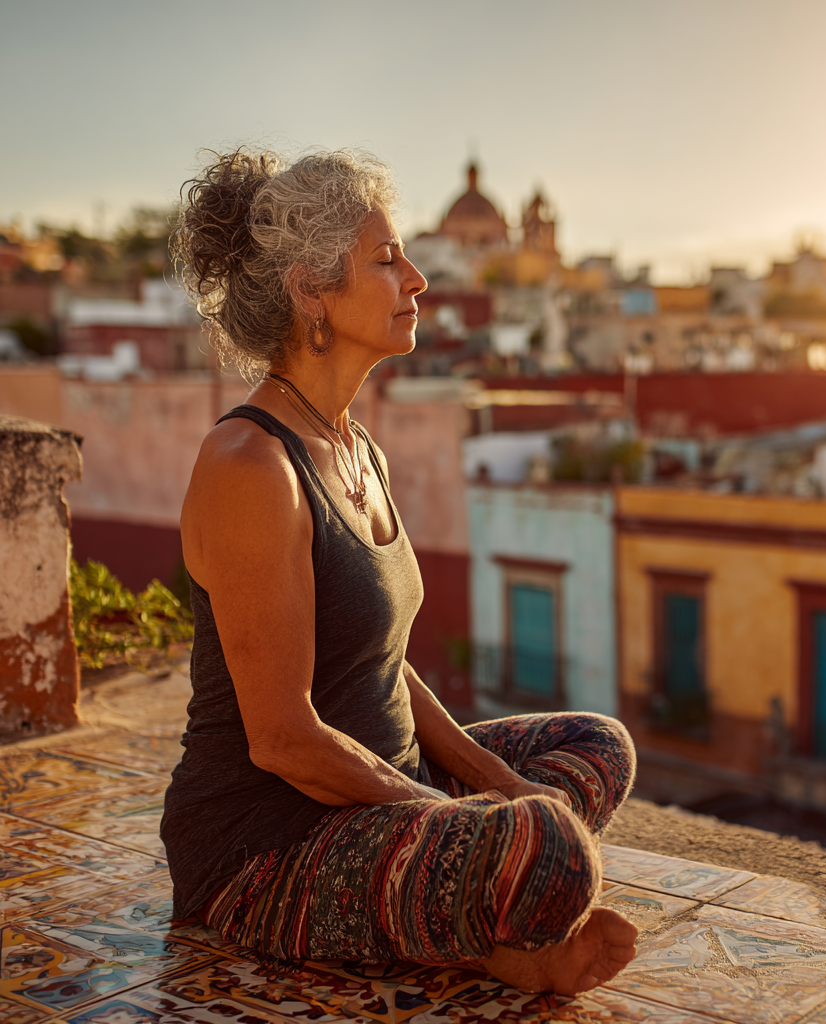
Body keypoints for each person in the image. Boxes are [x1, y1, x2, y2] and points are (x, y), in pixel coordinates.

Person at [160, 148, 638, 996]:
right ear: (311, 291)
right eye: (387, 261)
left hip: (382, 792)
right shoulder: (250, 467)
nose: (417, 279)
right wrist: (464, 821)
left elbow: (379, 662)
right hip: (267, 846)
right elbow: (280, 738)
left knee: (597, 747)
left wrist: (500, 784)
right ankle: (491, 937)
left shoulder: (357, 449)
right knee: (549, 847)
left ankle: (477, 921)